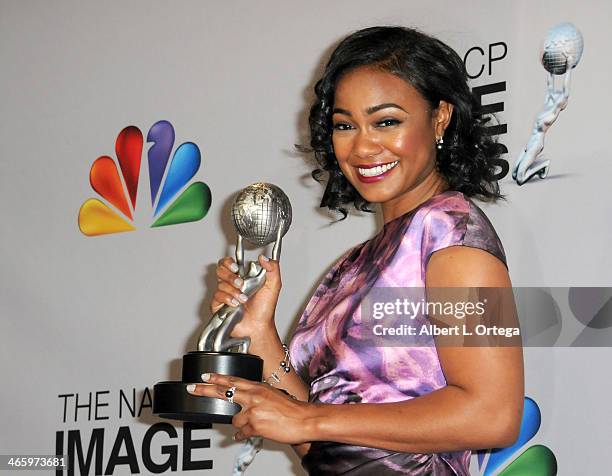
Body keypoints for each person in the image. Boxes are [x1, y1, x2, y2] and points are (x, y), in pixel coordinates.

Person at [186, 26, 524, 475]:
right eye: (345, 125)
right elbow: (327, 442)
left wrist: (309, 418)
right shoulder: (354, 263)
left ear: (440, 118)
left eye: (387, 121)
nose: (363, 146)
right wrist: (261, 334)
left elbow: (493, 415)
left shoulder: (453, 237)